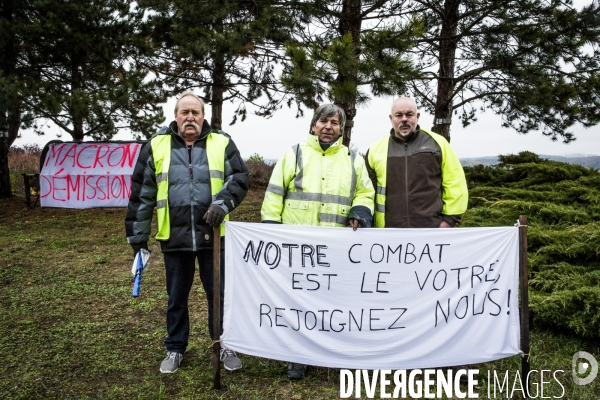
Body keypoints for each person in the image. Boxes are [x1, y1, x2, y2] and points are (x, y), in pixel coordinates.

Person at [125, 91, 249, 374]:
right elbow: (142, 194)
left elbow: (240, 177)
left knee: (218, 295)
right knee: (176, 297)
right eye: (185, 112)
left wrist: (222, 203)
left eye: (195, 112)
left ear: (203, 116)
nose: (190, 117)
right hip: (174, 237)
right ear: (176, 116)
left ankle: (223, 343)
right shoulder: (156, 146)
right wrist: (137, 235)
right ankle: (175, 348)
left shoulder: (222, 142)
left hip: (214, 236)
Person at [261, 103, 375, 380]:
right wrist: (270, 230)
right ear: (313, 125)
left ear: (342, 129)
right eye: (324, 121)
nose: (328, 126)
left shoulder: (353, 159)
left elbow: (365, 192)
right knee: (299, 303)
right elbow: (274, 195)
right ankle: (298, 356)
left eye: (335, 122)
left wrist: (360, 211)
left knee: (338, 303)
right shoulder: (294, 154)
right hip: (298, 248)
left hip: (338, 249)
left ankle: (337, 353)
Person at [365, 96, 468, 229]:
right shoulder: (375, 149)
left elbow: (455, 182)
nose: (404, 119)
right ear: (391, 118)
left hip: (431, 230)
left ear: (417, 116)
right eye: (399, 115)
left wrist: (449, 220)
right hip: (389, 232)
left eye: (409, 114)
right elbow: (366, 192)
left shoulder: (438, 143)